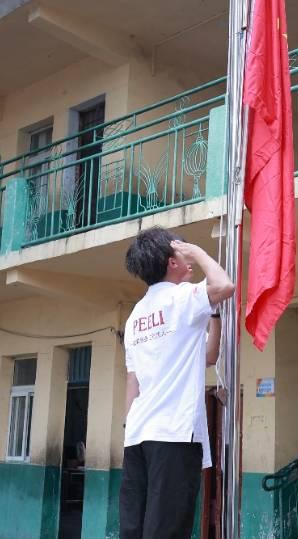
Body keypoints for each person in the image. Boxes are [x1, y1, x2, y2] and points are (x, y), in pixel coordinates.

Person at [120, 227, 233, 539]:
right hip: (174, 433)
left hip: (138, 435)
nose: (190, 260)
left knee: (135, 527)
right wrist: (196, 249)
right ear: (172, 261)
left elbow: (207, 356)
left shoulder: (135, 316)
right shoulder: (182, 297)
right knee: (167, 528)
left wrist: (214, 316)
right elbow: (224, 285)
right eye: (182, 254)